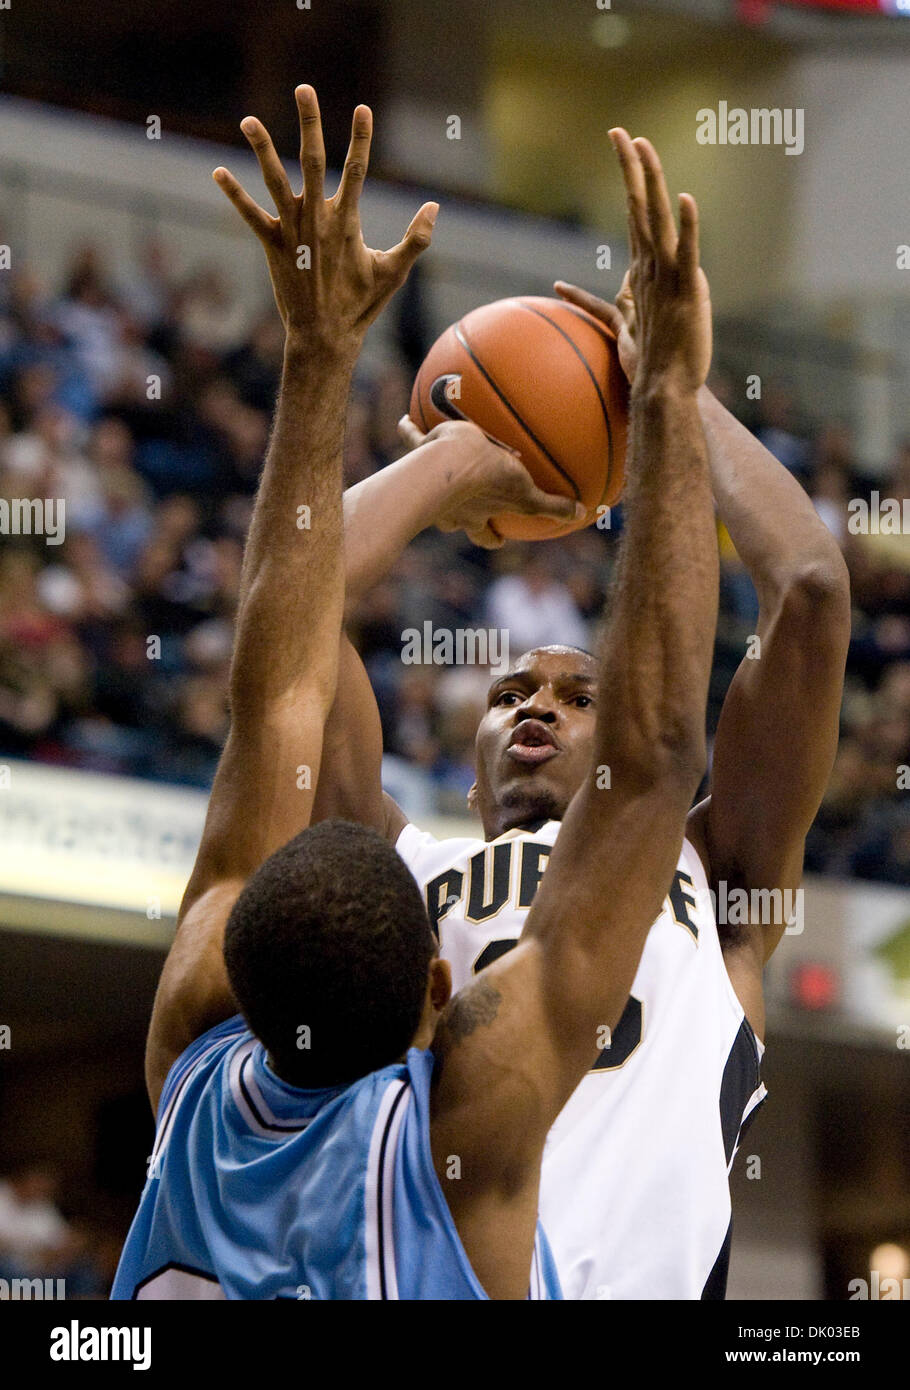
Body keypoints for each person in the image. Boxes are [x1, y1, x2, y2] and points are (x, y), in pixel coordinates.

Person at [112, 95, 720, 1300]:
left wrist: (364, 390)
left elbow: (278, 678)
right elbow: (654, 755)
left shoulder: (191, 1043)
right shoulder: (464, 1141)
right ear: (442, 990)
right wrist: (663, 406)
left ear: (223, 945)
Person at [312, 131, 853, 1298]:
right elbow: (289, 621)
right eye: (508, 692)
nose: (535, 705)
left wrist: (671, 380)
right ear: (463, 769)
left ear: (642, 724)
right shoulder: (393, 870)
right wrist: (443, 471)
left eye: (577, 691)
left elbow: (808, 592)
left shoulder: (718, 875)